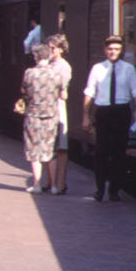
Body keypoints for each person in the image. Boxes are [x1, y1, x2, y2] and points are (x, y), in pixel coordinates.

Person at [82, 34, 136, 203]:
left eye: (116, 49)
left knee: (119, 153)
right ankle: (100, 189)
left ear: (121, 50)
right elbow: (89, 92)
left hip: (121, 111)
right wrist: (86, 116)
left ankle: (114, 190)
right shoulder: (97, 68)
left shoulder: (128, 69)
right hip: (103, 112)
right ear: (105, 50)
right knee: (101, 152)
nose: (113, 52)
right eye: (110, 49)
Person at [19, 43, 66, 193]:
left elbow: (24, 92)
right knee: (50, 150)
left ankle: (37, 184)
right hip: (51, 115)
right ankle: (53, 186)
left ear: (35, 57)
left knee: (34, 150)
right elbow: (63, 95)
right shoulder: (57, 74)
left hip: (33, 115)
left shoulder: (29, 73)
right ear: (49, 55)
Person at [48, 33, 74, 195]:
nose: (50, 51)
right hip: (48, 106)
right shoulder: (49, 63)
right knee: (48, 146)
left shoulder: (63, 66)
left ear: (61, 49)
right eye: (49, 47)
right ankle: (50, 181)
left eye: (53, 48)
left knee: (61, 146)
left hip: (57, 106)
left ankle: (60, 182)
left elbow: (62, 90)